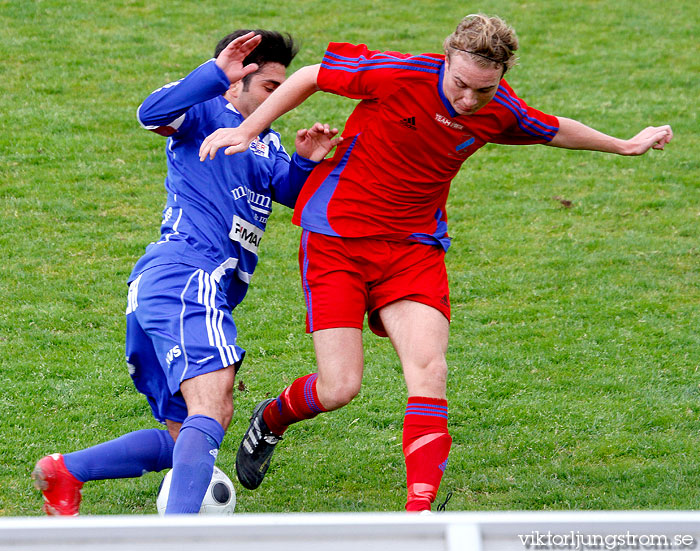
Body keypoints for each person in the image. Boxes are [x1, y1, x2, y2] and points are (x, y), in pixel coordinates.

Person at [199, 14, 674, 513]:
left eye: (484, 91)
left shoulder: (500, 111)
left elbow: (554, 130)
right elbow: (312, 75)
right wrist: (247, 130)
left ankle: (419, 517)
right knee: (340, 388)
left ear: (503, 77)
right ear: (447, 59)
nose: (469, 101)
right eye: (462, 85)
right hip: (336, 239)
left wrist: (625, 144)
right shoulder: (402, 75)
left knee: (430, 371)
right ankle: (273, 418)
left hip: (413, 250)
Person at [31, 29, 340, 515]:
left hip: (171, 291)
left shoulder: (265, 141)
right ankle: (180, 538)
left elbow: (290, 193)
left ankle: (65, 471)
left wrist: (304, 161)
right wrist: (213, 74)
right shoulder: (205, 112)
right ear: (237, 79)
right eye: (268, 88)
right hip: (186, 278)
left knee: (186, 436)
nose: (279, 100)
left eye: (283, 90)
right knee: (212, 408)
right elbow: (149, 114)